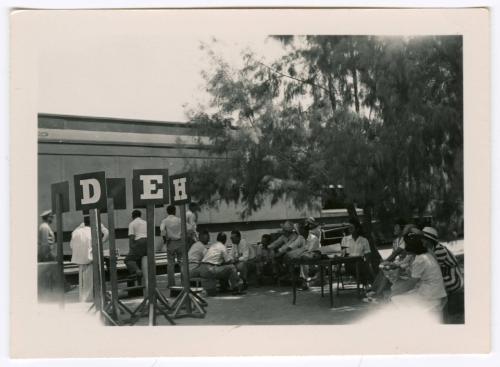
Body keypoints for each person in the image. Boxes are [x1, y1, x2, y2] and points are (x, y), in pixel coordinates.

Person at [390, 231, 447, 316]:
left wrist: (396, 291)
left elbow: (411, 283)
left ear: (410, 246)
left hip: (431, 296)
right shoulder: (426, 254)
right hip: (436, 291)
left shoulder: (419, 260)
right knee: (401, 293)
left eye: (405, 244)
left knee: (395, 299)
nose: (404, 247)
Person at [421, 226, 464, 321]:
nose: (421, 241)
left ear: (429, 240)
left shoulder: (438, 250)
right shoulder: (432, 248)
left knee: (428, 287)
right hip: (445, 276)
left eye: (423, 239)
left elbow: (433, 271)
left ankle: (437, 313)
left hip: (453, 279)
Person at [365, 218, 407, 300]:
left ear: (401, 228)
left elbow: (395, 253)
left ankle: (377, 293)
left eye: (396, 227)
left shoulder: (405, 240)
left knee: (386, 269)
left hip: (404, 264)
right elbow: (393, 254)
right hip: (398, 263)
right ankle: (374, 290)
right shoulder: (395, 241)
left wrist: (386, 261)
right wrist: (386, 262)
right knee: (384, 268)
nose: (394, 228)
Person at [340, 219, 374, 285]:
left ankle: (369, 286)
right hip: (349, 264)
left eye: (352, 227)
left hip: (360, 262)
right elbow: (342, 254)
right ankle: (368, 285)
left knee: (365, 266)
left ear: (357, 229)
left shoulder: (364, 240)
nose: (349, 229)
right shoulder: (345, 239)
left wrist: (367, 263)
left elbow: (368, 254)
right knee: (363, 268)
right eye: (349, 227)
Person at [70, 216, 93, 302]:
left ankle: (82, 298)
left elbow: (71, 245)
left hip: (79, 259)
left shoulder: (76, 231)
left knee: (82, 281)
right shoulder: (92, 232)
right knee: (89, 281)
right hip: (90, 259)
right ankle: (88, 298)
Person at [160, 205, 183, 286]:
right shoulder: (179, 220)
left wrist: (165, 240)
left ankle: (171, 283)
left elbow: (162, 231)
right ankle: (184, 282)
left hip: (171, 242)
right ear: (174, 211)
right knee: (182, 262)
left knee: (170, 264)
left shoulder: (165, 221)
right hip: (180, 242)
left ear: (167, 211)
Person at [124, 209, 148, 278]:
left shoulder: (132, 223)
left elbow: (131, 237)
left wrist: (131, 250)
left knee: (128, 260)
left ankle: (137, 271)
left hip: (139, 242)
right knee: (138, 261)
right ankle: (140, 278)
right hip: (148, 243)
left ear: (132, 216)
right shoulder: (145, 222)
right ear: (140, 215)